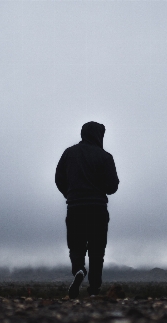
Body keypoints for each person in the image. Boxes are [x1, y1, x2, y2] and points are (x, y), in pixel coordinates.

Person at [55, 121, 119, 299]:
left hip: (75, 207)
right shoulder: (105, 157)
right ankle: (94, 289)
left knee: (76, 245)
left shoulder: (69, 153)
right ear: (99, 135)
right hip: (97, 208)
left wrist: (69, 194)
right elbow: (113, 186)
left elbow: (59, 177)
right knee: (97, 250)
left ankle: (79, 270)